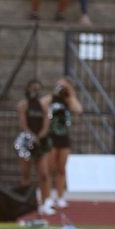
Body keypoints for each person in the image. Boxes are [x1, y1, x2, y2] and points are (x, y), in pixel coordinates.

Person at [15, 79, 54, 215]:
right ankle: (26, 202)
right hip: (26, 143)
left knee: (44, 174)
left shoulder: (43, 106)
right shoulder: (23, 105)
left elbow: (47, 121)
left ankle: (46, 202)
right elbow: (22, 124)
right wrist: (32, 136)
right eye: (33, 88)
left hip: (40, 142)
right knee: (26, 175)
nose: (35, 91)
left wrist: (41, 135)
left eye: (38, 88)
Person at [45, 78, 82, 211]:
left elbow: (78, 109)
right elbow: (42, 104)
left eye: (64, 86)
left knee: (61, 168)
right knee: (50, 168)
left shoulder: (68, 100)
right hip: (52, 136)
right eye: (59, 86)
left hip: (63, 136)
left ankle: (60, 197)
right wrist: (54, 94)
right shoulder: (51, 99)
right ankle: (47, 197)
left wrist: (70, 93)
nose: (61, 89)